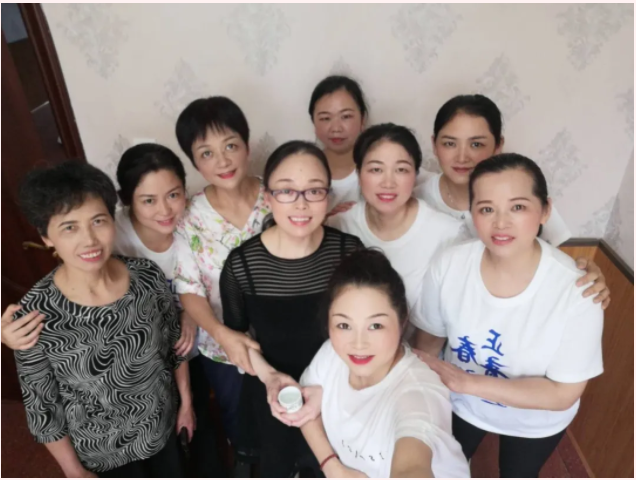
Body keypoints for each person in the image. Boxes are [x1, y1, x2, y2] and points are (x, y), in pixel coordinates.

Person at [413, 153, 604, 478]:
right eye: (486, 209)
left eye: (518, 207)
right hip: (460, 403)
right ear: (472, 212)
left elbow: (563, 392)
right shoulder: (450, 264)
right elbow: (429, 342)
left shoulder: (578, 290)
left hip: (536, 418)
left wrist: (469, 382)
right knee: (442, 467)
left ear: (545, 210)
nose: (500, 223)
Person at [12, 161, 192, 477]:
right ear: (46, 236)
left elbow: (174, 349)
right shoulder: (35, 315)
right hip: (102, 457)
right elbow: (43, 410)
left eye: (98, 221)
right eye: (70, 227)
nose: (90, 240)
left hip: (163, 432)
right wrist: (74, 472)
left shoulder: (146, 276)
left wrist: (187, 405)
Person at [220, 140, 363, 477]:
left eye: (314, 191)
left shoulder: (349, 253)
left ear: (327, 196)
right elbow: (239, 340)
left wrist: (332, 388)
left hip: (339, 390)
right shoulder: (242, 265)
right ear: (268, 197)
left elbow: (362, 331)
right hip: (275, 395)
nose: (301, 203)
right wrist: (270, 378)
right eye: (286, 191)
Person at [414, 94, 611, 308]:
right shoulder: (415, 199)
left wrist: (587, 274)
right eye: (449, 143)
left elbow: (558, 266)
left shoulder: (526, 197)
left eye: (476, 144)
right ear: (434, 144)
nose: (462, 157)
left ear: (498, 145)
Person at [296, 248, 470, 478]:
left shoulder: (419, 393)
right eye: (344, 325)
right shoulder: (331, 355)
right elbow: (304, 408)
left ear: (402, 320)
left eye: (375, 326)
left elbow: (412, 466)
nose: (358, 344)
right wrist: (332, 466)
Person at [172, 96, 270, 449]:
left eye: (230, 145)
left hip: (283, 338)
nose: (223, 161)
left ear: (247, 145)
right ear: (194, 161)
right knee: (240, 422)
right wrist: (222, 334)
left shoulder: (278, 196)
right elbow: (189, 289)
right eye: (207, 153)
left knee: (289, 419)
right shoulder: (189, 217)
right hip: (221, 346)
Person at [326, 123, 464, 312]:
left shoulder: (448, 234)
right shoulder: (339, 225)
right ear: (358, 173)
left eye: (401, 170)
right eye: (376, 169)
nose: (388, 183)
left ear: (416, 174)